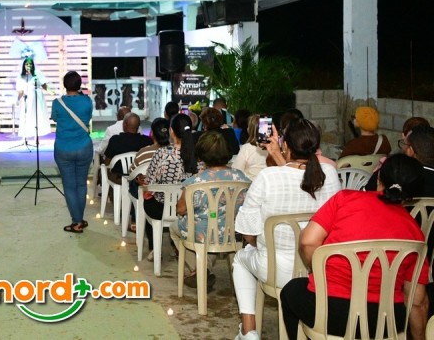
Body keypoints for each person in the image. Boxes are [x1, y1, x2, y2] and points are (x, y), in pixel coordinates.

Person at [281, 154, 430, 340]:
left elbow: (308, 241)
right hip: (385, 320)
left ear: (379, 177)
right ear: (413, 194)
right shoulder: (415, 233)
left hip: (330, 312)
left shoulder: (346, 199)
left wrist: (317, 268)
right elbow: (417, 301)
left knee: (292, 290)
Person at [231, 118, 340, 340]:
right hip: (317, 268)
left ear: (286, 145)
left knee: (240, 259)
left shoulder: (267, 177)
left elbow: (247, 232)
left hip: (275, 269)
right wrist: (279, 156)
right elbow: (299, 180)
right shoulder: (329, 173)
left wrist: (262, 244)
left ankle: (249, 330)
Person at [171, 130, 249, 288]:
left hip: (201, 234)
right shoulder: (242, 178)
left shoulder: (195, 181)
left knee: (174, 228)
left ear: (201, 155)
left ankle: (201, 268)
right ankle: (216, 270)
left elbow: (181, 209)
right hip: (233, 232)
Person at [138, 113, 196, 259]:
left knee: (147, 199)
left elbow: (150, 182)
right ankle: (178, 247)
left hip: (162, 208)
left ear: (171, 131)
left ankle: (154, 248)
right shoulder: (198, 153)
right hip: (190, 208)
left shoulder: (162, 153)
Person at [50, 70, 93, 234]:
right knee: (81, 184)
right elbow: (88, 117)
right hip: (84, 147)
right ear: (80, 85)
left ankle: (77, 221)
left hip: (63, 148)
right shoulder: (87, 101)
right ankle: (79, 219)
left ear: (64, 85)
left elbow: (55, 118)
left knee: (69, 186)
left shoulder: (57, 103)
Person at [104, 112, 152, 184]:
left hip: (119, 179)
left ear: (124, 124)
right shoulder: (147, 141)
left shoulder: (115, 140)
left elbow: (107, 162)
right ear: (138, 126)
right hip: (140, 179)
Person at [16, 57, 51, 140]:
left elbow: (44, 85)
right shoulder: (21, 76)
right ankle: (25, 137)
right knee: (26, 116)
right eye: (27, 64)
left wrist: (51, 91)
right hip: (26, 98)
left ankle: (36, 136)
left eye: (30, 64)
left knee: (37, 116)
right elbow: (20, 91)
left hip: (37, 98)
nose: (28, 66)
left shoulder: (37, 74)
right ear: (24, 65)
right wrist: (17, 100)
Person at [231, 114, 268, 180]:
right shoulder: (273, 148)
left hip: (250, 184)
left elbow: (236, 171)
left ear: (250, 130)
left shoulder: (246, 148)